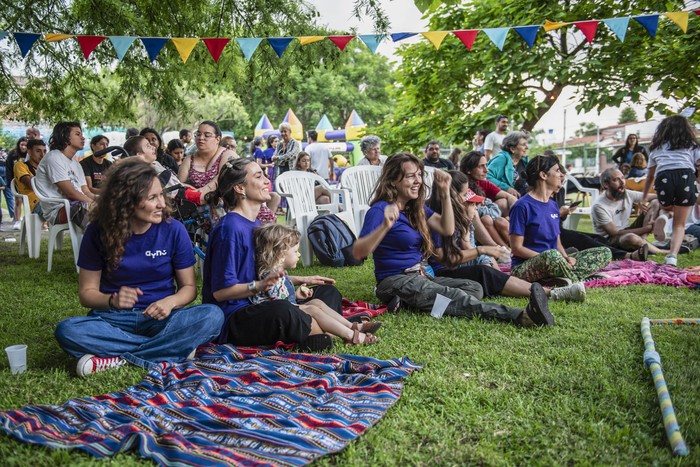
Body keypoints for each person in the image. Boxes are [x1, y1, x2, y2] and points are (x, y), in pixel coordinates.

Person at [54, 159, 224, 376]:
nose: (162, 203)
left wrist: (170, 302)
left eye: (161, 195)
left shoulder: (174, 230)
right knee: (67, 330)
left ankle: (118, 358)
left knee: (212, 316)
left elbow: (189, 288)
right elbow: (87, 294)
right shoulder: (98, 231)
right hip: (113, 319)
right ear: (126, 201)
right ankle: (169, 350)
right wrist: (112, 300)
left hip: (162, 319)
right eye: (152, 198)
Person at [352, 152, 554, 327]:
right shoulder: (380, 210)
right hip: (394, 280)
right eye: (410, 176)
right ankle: (522, 316)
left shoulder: (416, 209)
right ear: (394, 180)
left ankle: (412, 303)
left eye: (419, 175)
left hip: (420, 276)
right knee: (457, 297)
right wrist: (385, 226)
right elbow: (359, 252)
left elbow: (446, 228)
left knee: (473, 288)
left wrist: (445, 194)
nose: (417, 181)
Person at [202, 158, 345, 347]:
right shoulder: (229, 229)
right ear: (240, 188)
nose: (266, 180)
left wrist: (301, 280)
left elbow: (262, 274)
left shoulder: (256, 224)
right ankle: (326, 331)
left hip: (262, 300)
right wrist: (260, 286)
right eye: (259, 176)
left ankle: (316, 331)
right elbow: (220, 293)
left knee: (327, 292)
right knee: (283, 310)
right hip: (237, 316)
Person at [428, 170, 585, 302]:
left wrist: (485, 247)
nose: (469, 202)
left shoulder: (458, 219)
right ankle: (551, 293)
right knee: (485, 272)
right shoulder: (437, 220)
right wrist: (483, 250)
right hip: (444, 272)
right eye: (464, 196)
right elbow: (448, 260)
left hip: (458, 267)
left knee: (486, 269)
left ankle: (552, 285)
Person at [253, 223, 379, 345]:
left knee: (317, 302)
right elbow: (279, 305)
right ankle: (350, 336)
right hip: (276, 316)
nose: (299, 255)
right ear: (280, 254)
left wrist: (297, 294)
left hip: (287, 308)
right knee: (313, 308)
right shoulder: (270, 276)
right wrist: (296, 299)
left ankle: (352, 326)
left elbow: (283, 297)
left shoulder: (279, 273)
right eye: (295, 251)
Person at [509, 155, 611, 284]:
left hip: (555, 260)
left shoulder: (553, 206)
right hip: (524, 267)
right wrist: (552, 258)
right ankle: (577, 281)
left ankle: (560, 278)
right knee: (551, 256)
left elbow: (556, 242)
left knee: (604, 252)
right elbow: (517, 248)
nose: (561, 175)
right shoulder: (521, 206)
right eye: (557, 171)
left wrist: (566, 258)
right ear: (543, 175)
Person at [643, 115, 700, 266]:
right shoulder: (692, 145)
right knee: (679, 224)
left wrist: (643, 198)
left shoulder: (656, 148)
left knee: (667, 207)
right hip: (685, 177)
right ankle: (672, 256)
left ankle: (663, 216)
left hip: (663, 178)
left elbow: (649, 176)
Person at [591, 168, 669, 256]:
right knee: (631, 238)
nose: (622, 182)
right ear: (606, 184)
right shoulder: (599, 206)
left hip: (626, 230)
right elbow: (615, 232)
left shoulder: (626, 194)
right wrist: (647, 228)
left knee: (655, 202)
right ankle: (661, 251)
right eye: (616, 179)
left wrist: (643, 201)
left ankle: (643, 240)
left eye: (623, 178)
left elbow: (657, 197)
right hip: (610, 240)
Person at [34, 122, 94, 230]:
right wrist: (94, 203)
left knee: (112, 205)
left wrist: (102, 200)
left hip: (78, 204)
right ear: (65, 137)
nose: (83, 138)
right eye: (77, 134)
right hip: (59, 209)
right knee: (94, 210)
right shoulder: (54, 158)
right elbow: (70, 193)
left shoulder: (76, 164)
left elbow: (86, 191)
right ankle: (101, 242)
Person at [177, 121, 234, 204]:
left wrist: (201, 192)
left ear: (218, 139)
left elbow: (223, 178)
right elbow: (179, 187)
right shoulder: (189, 160)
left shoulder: (227, 155)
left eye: (207, 135)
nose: (201, 138)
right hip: (194, 212)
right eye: (198, 134)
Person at [487, 132, 529, 198]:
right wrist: (507, 188)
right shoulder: (501, 159)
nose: (527, 147)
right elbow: (486, 176)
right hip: (503, 197)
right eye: (523, 144)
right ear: (512, 149)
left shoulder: (524, 161)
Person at [13, 139, 47, 219]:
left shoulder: (46, 168)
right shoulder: (20, 165)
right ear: (29, 152)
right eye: (38, 151)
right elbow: (32, 185)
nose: (42, 154)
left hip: (52, 200)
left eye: (44, 151)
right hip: (37, 203)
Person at [4, 137, 27, 230]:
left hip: (27, 182)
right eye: (22, 145)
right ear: (18, 145)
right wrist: (10, 182)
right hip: (16, 182)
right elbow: (8, 168)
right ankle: (17, 220)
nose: (23, 147)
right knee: (18, 201)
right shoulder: (13, 154)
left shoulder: (30, 154)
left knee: (28, 202)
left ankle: (29, 220)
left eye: (25, 145)